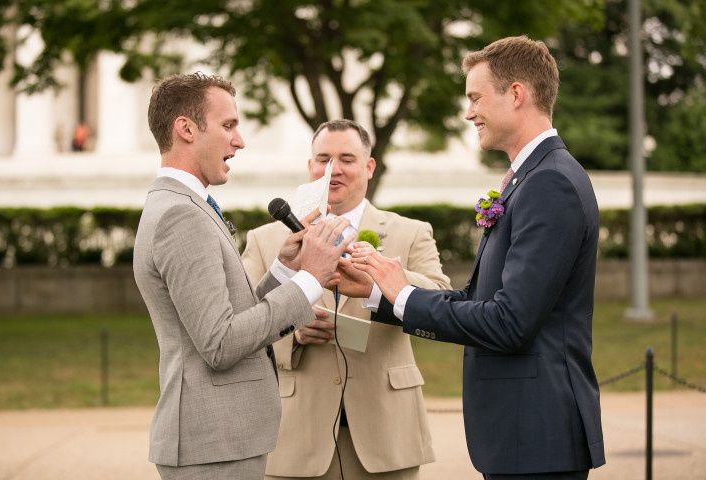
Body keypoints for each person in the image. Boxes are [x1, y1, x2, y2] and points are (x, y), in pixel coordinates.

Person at [343, 36, 606, 479]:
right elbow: (477, 297)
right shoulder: (530, 178)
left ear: (516, 94)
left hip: (537, 437)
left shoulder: (550, 184)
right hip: (522, 437)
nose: (469, 113)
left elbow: (509, 322)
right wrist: (378, 292)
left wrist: (405, 293)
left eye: (476, 97)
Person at [133, 72, 352, 480]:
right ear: (185, 129)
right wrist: (310, 279)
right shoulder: (180, 214)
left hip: (220, 440)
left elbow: (226, 317)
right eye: (229, 125)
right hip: (212, 444)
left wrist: (284, 271)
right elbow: (220, 343)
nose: (240, 140)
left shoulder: (180, 204)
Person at [242, 119, 451, 479]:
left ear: (369, 167)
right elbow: (241, 324)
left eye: (346, 159)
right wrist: (291, 333)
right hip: (296, 439)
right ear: (310, 167)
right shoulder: (265, 240)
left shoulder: (410, 232)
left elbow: (442, 301)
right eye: (322, 159)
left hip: (387, 436)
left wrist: (381, 279)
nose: (333, 169)